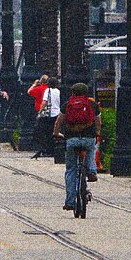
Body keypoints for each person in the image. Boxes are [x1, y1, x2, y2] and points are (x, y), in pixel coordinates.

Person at [55, 81, 101, 211]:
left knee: (71, 170)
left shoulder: (67, 105)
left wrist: (56, 133)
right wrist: (97, 132)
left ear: (72, 92)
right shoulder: (92, 104)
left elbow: (59, 121)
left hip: (72, 139)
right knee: (91, 149)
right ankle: (92, 171)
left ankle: (70, 202)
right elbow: (98, 121)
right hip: (88, 138)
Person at [33, 74, 62, 158]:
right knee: (54, 131)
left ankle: (47, 149)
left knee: (46, 132)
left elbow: (44, 102)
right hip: (57, 113)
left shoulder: (47, 90)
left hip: (49, 114)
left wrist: (40, 112)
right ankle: (54, 149)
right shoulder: (58, 91)